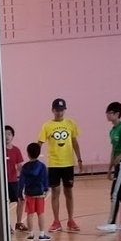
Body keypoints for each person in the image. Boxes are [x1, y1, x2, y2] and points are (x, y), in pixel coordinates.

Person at [38, 98, 82, 232]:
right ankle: (56, 221)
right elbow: (40, 143)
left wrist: (79, 159)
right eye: (57, 110)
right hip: (54, 164)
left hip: (68, 163)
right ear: (53, 110)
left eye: (62, 110)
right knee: (55, 192)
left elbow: (74, 142)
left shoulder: (71, 124)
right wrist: (35, 161)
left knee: (68, 191)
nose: (60, 113)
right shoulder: (47, 126)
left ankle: (70, 220)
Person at [98, 101, 121, 232]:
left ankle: (111, 223)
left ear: (117, 114)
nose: (107, 115)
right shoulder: (113, 131)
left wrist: (120, 157)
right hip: (118, 166)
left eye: (109, 112)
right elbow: (113, 151)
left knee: (114, 193)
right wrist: (110, 169)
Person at [20, 143, 50, 241]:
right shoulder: (42, 166)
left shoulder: (25, 167)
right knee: (40, 213)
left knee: (30, 214)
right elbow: (45, 179)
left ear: (28, 154)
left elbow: (21, 181)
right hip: (40, 193)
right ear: (39, 153)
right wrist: (46, 189)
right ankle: (41, 234)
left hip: (29, 193)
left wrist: (19, 193)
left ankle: (30, 234)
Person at [4, 125, 26, 232]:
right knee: (4, 203)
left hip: (14, 181)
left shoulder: (16, 150)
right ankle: (6, 225)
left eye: (9, 134)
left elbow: (19, 166)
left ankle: (19, 223)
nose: (7, 136)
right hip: (3, 182)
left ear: (12, 136)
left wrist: (26, 175)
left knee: (20, 201)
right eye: (4, 134)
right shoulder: (0, 150)